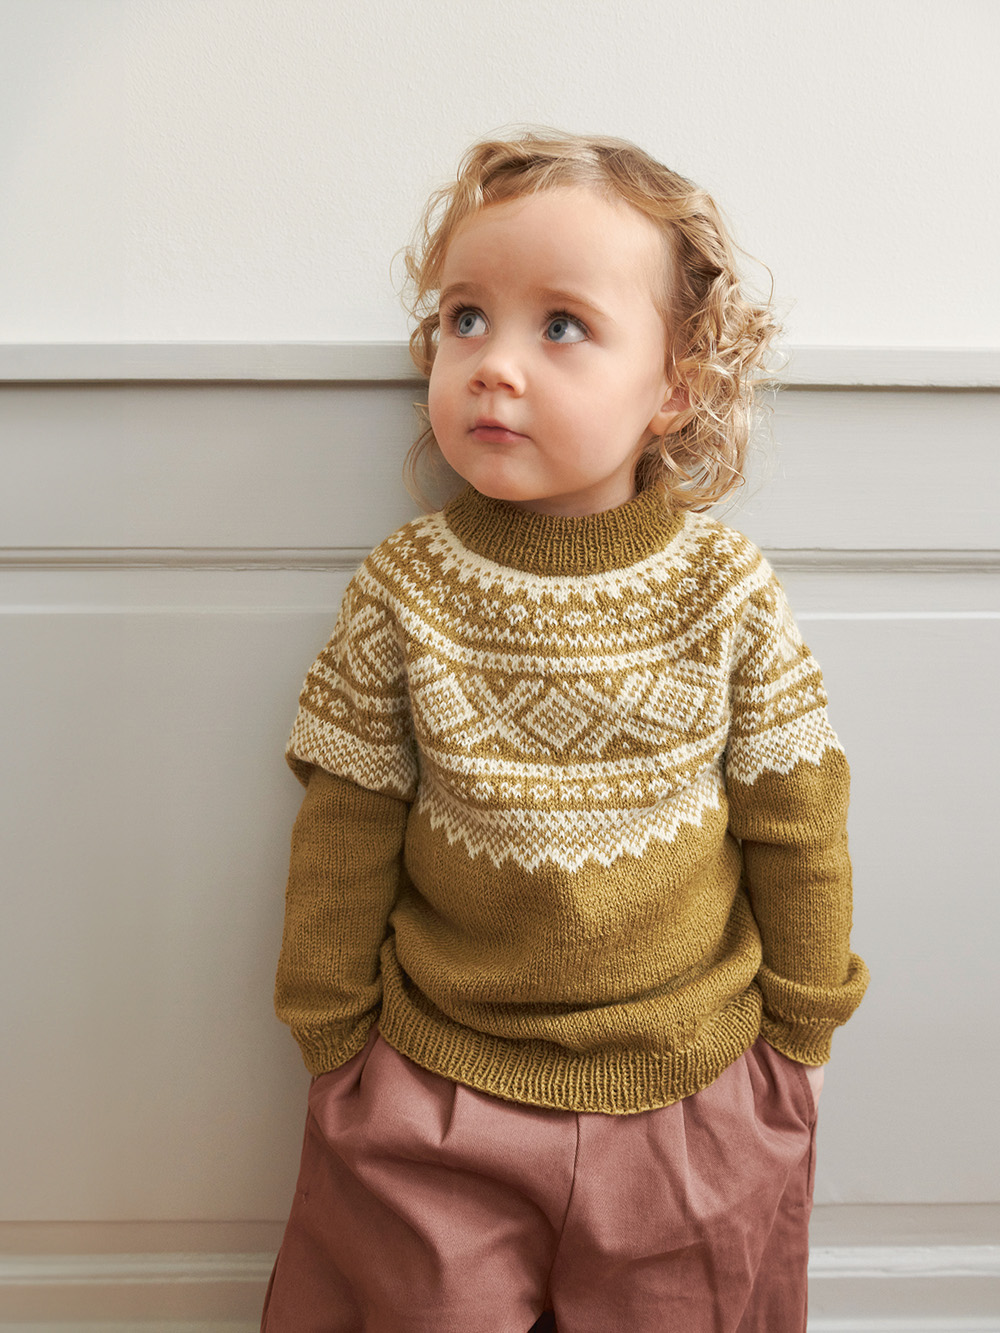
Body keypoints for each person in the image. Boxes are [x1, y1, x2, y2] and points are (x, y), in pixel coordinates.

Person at [261, 130, 869, 1333]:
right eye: (465, 319)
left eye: (561, 326)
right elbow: (345, 822)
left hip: (690, 1089)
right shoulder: (405, 588)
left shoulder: (726, 592)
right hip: (436, 1086)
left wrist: (800, 1029)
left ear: (672, 387)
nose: (492, 365)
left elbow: (798, 819)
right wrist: (331, 1035)